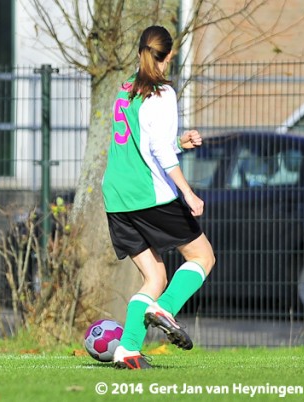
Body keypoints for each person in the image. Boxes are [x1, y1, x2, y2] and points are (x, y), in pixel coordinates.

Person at [101, 26, 215, 369]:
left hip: (116, 198)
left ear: (139, 52)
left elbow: (141, 142)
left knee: (154, 277)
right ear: (167, 57)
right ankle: (163, 309)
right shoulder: (163, 93)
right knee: (203, 257)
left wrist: (180, 143)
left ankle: (127, 350)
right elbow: (160, 152)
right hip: (147, 196)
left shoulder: (125, 90)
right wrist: (189, 193)